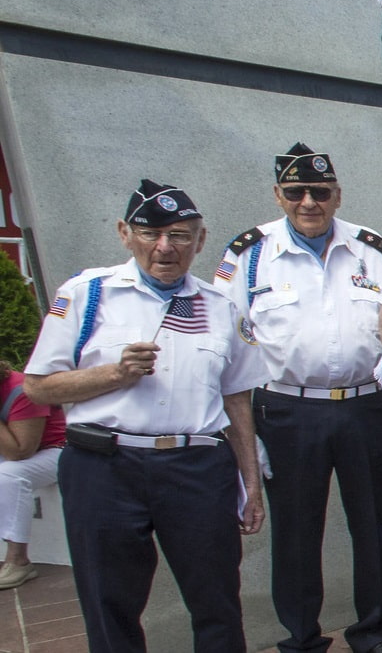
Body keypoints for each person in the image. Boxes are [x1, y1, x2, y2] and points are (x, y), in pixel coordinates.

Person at [25, 180, 268, 651]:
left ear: (199, 240)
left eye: (179, 235)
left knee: (217, 601)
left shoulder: (222, 307)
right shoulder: (88, 294)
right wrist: (113, 374)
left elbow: (237, 397)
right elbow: (38, 386)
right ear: (124, 233)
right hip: (104, 468)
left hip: (196, 469)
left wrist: (251, 482)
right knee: (110, 602)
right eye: (150, 232)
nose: (164, 247)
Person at [216, 143, 382, 653]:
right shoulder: (248, 255)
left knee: (372, 528)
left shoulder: (372, 249)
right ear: (278, 195)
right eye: (296, 192)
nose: (308, 202)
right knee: (297, 534)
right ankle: (301, 638)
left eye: (319, 192)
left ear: (336, 195)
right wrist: (243, 440)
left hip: (367, 406)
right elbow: (227, 346)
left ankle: (375, 633)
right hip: (288, 411)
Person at [0, 361, 60, 591]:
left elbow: (21, 451)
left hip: (56, 450)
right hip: (14, 452)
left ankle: (19, 561)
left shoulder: (21, 390)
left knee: (8, 476)